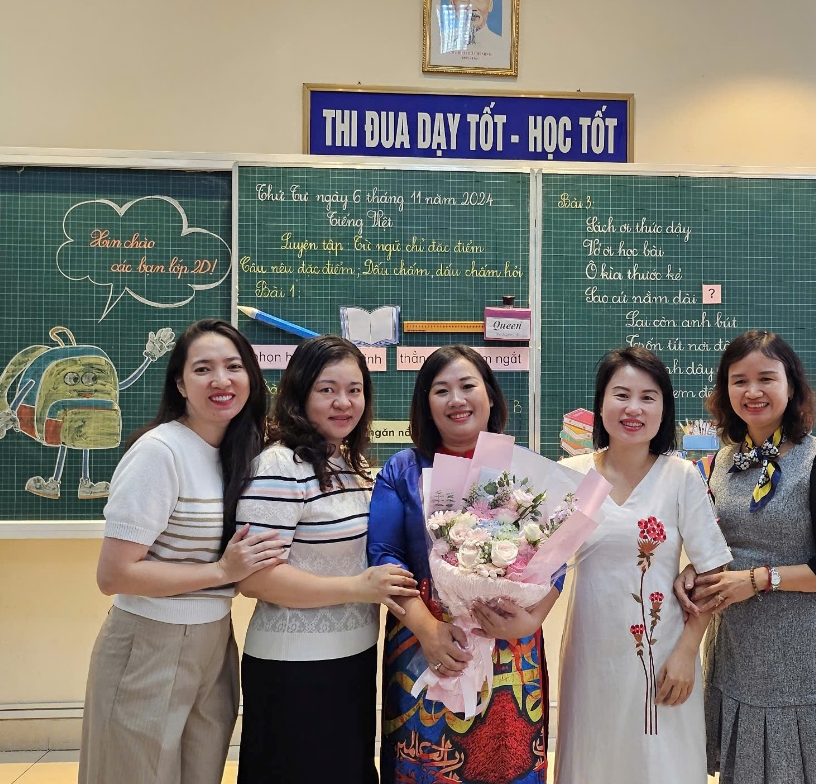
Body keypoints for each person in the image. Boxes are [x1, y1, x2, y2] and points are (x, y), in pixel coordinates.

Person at [80, 319, 287, 784]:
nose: (221, 380)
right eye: (203, 369)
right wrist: (220, 571)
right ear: (180, 383)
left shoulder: (239, 451)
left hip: (214, 641)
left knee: (200, 773)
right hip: (150, 642)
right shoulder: (159, 452)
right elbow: (114, 575)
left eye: (234, 366)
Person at [675, 330, 816, 784]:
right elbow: (723, 539)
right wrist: (693, 568)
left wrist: (760, 579)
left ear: (791, 386)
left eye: (766, 378)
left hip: (800, 651)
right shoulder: (723, 461)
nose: (753, 391)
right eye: (738, 380)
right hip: (736, 644)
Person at [368, 345, 557, 784]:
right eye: (441, 390)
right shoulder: (403, 469)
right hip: (426, 645)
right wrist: (428, 630)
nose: (457, 399)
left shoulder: (522, 469)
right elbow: (384, 555)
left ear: (489, 395)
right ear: (425, 405)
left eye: (468, 386)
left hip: (511, 645)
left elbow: (556, 562)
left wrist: (527, 621)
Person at [233, 336, 418, 784]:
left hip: (353, 657)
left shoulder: (347, 462)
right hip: (295, 668)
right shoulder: (279, 465)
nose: (344, 402)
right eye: (327, 389)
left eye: (355, 390)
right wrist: (359, 587)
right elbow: (256, 579)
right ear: (300, 394)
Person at [555, 347, 733, 784]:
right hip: (591, 656)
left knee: (661, 765)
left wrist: (688, 652)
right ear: (600, 404)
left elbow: (712, 573)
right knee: (594, 761)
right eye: (621, 394)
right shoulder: (569, 475)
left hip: (663, 657)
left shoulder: (682, 476)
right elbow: (537, 569)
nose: (633, 408)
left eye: (648, 397)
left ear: (664, 409)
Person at [435, 0, 508, 66]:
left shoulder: (502, 47)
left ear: (490, 4)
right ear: (452, 4)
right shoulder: (438, 45)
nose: (472, 7)